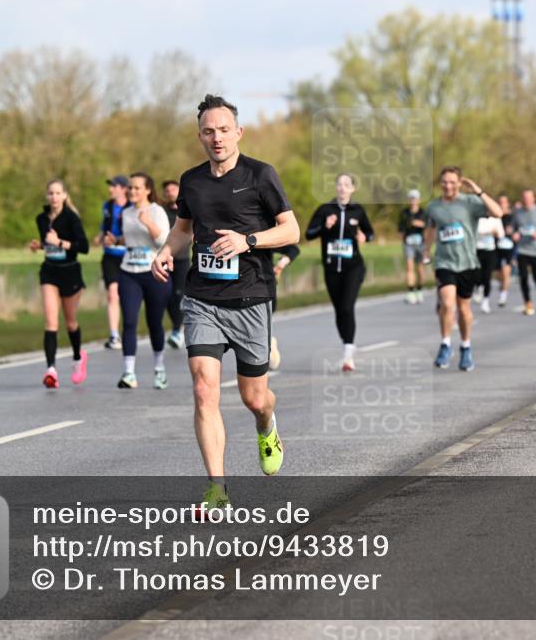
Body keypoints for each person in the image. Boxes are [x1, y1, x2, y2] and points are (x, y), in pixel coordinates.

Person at [152, 94, 300, 511]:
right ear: (199, 135)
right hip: (202, 299)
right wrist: (166, 250)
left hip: (251, 298)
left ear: (238, 132)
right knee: (203, 390)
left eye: (223, 130)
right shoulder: (192, 180)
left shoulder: (260, 175)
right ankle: (217, 489)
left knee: (254, 397)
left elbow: (291, 231)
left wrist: (248, 240)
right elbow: (182, 229)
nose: (216, 138)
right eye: (208, 131)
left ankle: (267, 424)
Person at [422, 167, 502, 371]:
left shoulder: (471, 203)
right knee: (447, 304)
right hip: (444, 262)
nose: (448, 186)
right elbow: (430, 230)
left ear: (459, 183)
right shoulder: (433, 207)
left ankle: (466, 347)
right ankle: (446, 344)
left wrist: (478, 191)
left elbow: (498, 213)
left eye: (452, 182)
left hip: (467, 263)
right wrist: (426, 251)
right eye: (444, 182)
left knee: (464, 310)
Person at [306, 173, 375, 372]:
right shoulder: (325, 210)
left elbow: (370, 233)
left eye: (347, 184)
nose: (343, 188)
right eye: (339, 184)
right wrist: (324, 226)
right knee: (339, 310)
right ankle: (347, 343)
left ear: (353, 188)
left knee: (347, 306)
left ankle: (348, 354)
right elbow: (309, 234)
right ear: (336, 188)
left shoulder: (358, 211)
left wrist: (364, 236)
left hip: (353, 267)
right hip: (331, 268)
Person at [29, 179, 89, 387]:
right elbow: (48, 244)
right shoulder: (41, 218)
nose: (53, 197)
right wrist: (40, 245)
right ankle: (51, 370)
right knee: (51, 322)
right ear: (47, 196)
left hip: (70, 273)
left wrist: (60, 243)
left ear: (64, 196)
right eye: (50, 193)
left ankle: (77, 358)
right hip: (49, 272)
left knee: (70, 322)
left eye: (57, 193)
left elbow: (84, 247)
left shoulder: (72, 219)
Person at [117, 173, 172, 389]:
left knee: (154, 322)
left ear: (148, 190)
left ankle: (159, 370)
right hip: (129, 271)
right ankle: (128, 373)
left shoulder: (157, 211)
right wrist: (117, 240)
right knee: (129, 320)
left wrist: (148, 223)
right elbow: (130, 239)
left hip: (154, 272)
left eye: (137, 188)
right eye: (130, 188)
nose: (132, 191)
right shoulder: (126, 212)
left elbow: (165, 241)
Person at [96, 175, 128, 349]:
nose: (111, 189)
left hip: (129, 255)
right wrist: (100, 238)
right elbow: (104, 228)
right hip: (110, 256)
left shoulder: (132, 206)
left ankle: (128, 330)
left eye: (114, 186)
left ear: (124, 189)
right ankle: (114, 334)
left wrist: (118, 240)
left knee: (127, 296)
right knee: (112, 294)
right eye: (110, 186)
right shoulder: (107, 206)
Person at [158, 179, 190, 349]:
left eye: (173, 189)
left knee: (178, 294)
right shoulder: (161, 212)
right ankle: (176, 327)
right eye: (167, 190)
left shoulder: (186, 210)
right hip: (164, 258)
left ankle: (177, 331)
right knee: (167, 296)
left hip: (182, 260)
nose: (170, 192)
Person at [511, 189, 536, 316]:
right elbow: (512, 228)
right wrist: (514, 234)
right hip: (522, 249)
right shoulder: (518, 213)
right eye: (524, 197)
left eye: (529, 197)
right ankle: (528, 303)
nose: (527, 200)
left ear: (534, 198)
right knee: (523, 277)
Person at [269, 244, 301, 370]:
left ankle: (268, 342)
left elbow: (293, 249)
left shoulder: (258, 233)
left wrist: (280, 264)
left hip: (264, 290)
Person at [398, 189, 427, 304]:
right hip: (408, 243)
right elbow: (400, 229)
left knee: (420, 268)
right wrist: (403, 239)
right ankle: (411, 291)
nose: (413, 201)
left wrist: (418, 223)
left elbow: (428, 226)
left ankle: (419, 289)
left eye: (415, 198)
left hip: (420, 243)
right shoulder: (404, 213)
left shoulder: (423, 213)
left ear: (418, 200)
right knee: (409, 268)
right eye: (411, 198)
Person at [475, 212, 505, 313]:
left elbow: (501, 234)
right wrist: (486, 232)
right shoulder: (477, 217)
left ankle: (485, 301)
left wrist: (495, 233)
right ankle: (478, 287)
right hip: (477, 250)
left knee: (487, 276)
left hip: (490, 250)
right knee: (477, 274)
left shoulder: (495, 219)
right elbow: (474, 231)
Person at [496, 195, 515, 307]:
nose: (502, 204)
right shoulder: (494, 215)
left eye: (504, 202)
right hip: (496, 247)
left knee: (506, 271)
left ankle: (503, 296)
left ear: (508, 203)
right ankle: (502, 284)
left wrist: (513, 232)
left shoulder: (512, 216)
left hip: (509, 247)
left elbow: (517, 229)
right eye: (500, 202)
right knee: (497, 274)